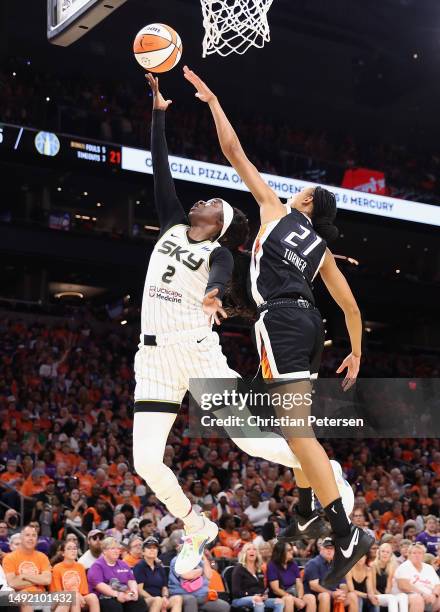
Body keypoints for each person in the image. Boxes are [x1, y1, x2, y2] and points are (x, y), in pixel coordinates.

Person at [183, 65, 374, 587]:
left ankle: (344, 530)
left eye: (304, 190)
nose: (296, 192)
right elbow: (352, 308)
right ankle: (313, 504)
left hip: (284, 322)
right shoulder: (322, 251)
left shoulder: (274, 210)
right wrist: (356, 353)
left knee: (294, 428)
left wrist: (214, 102)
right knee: (290, 424)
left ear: (307, 203)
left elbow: (234, 153)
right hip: (310, 324)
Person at [132, 73, 316, 577]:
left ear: (222, 224)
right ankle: (197, 525)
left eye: (212, 204)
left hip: (194, 352)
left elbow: (219, 274)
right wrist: (159, 113)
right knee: (145, 462)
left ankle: (322, 472)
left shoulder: (219, 255)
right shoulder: (172, 222)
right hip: (152, 360)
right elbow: (160, 170)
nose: (201, 202)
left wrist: (213, 293)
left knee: (249, 440)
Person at [87, 536, 147, 612]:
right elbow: (99, 585)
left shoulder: (123, 564)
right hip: (105, 596)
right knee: (113, 605)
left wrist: (134, 592)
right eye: (113, 548)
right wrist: (117, 594)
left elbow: (131, 580)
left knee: (139, 602)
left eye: (118, 548)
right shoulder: (97, 566)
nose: (116, 551)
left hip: (124, 593)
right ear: (104, 551)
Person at [2, 524, 52, 612]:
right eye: (27, 535)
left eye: (34, 535)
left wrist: (24, 576)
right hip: (20, 597)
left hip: (42, 596)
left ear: (37, 539)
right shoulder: (9, 558)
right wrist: (37, 581)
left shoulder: (42, 557)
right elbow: (12, 583)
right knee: (24, 596)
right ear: (21, 538)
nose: (31, 538)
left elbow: (47, 580)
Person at [303, 538, 357, 612]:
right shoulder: (313, 563)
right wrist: (332, 594)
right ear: (321, 549)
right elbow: (313, 586)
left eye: (332, 549)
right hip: (316, 595)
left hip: (335, 595)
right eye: (326, 548)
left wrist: (342, 594)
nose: (329, 551)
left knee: (352, 596)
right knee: (325, 596)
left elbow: (343, 584)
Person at [133, 536, 182, 612]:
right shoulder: (140, 566)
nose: (152, 550)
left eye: (155, 548)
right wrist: (156, 599)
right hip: (144, 599)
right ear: (143, 552)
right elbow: (140, 590)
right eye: (149, 548)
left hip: (159, 598)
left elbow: (164, 587)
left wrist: (165, 597)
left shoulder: (159, 567)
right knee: (158, 600)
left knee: (177, 599)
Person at [230, 543, 284, 612]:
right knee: (258, 600)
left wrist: (264, 595)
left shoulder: (259, 569)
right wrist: (252, 595)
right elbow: (235, 591)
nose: (252, 551)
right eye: (248, 549)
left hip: (257, 598)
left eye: (254, 549)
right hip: (239, 599)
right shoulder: (239, 569)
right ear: (244, 553)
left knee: (279, 602)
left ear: (257, 553)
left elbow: (261, 588)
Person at [51, 540, 99, 612]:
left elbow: (84, 591)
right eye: (69, 548)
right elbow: (57, 592)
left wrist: (79, 596)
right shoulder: (57, 568)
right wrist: (74, 595)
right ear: (63, 553)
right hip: (62, 600)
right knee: (75, 597)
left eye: (74, 548)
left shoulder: (80, 567)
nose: (73, 551)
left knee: (93, 597)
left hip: (80, 598)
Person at [267, 541, 316, 612]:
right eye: (289, 550)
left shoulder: (293, 564)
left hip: (294, 593)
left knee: (310, 598)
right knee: (289, 599)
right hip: (279, 596)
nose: (292, 551)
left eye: (292, 549)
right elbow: (276, 590)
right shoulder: (272, 565)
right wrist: (294, 599)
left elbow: (299, 584)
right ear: (281, 552)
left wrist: (300, 598)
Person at [395, 543, 440, 612]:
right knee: (417, 599)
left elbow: (437, 584)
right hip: (408, 596)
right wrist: (423, 594)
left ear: (423, 555)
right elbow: (404, 586)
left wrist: (434, 595)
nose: (417, 555)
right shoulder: (404, 567)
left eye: (420, 553)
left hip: (430, 597)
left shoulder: (429, 568)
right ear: (409, 554)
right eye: (414, 553)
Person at [371, 543, 408, 612]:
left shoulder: (392, 566)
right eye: (383, 551)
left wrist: (390, 576)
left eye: (387, 552)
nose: (385, 554)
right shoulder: (373, 566)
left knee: (403, 596)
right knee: (391, 598)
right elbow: (373, 589)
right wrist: (386, 596)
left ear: (390, 555)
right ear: (378, 553)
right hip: (376, 594)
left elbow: (388, 589)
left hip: (388, 594)